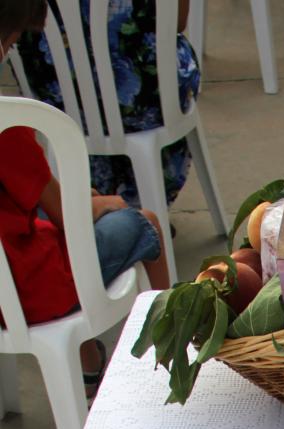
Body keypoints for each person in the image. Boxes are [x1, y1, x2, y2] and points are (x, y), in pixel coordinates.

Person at [0, 0, 170, 392]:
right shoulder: (8, 126)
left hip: (8, 280)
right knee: (145, 223)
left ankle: (89, 365)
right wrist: (103, 203)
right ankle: (171, 354)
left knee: (56, 226)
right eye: (10, 44)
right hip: (30, 291)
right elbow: (67, 214)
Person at [14, 0, 200, 209]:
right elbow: (177, 21)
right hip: (143, 99)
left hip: (56, 97)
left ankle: (99, 201)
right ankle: (138, 204)